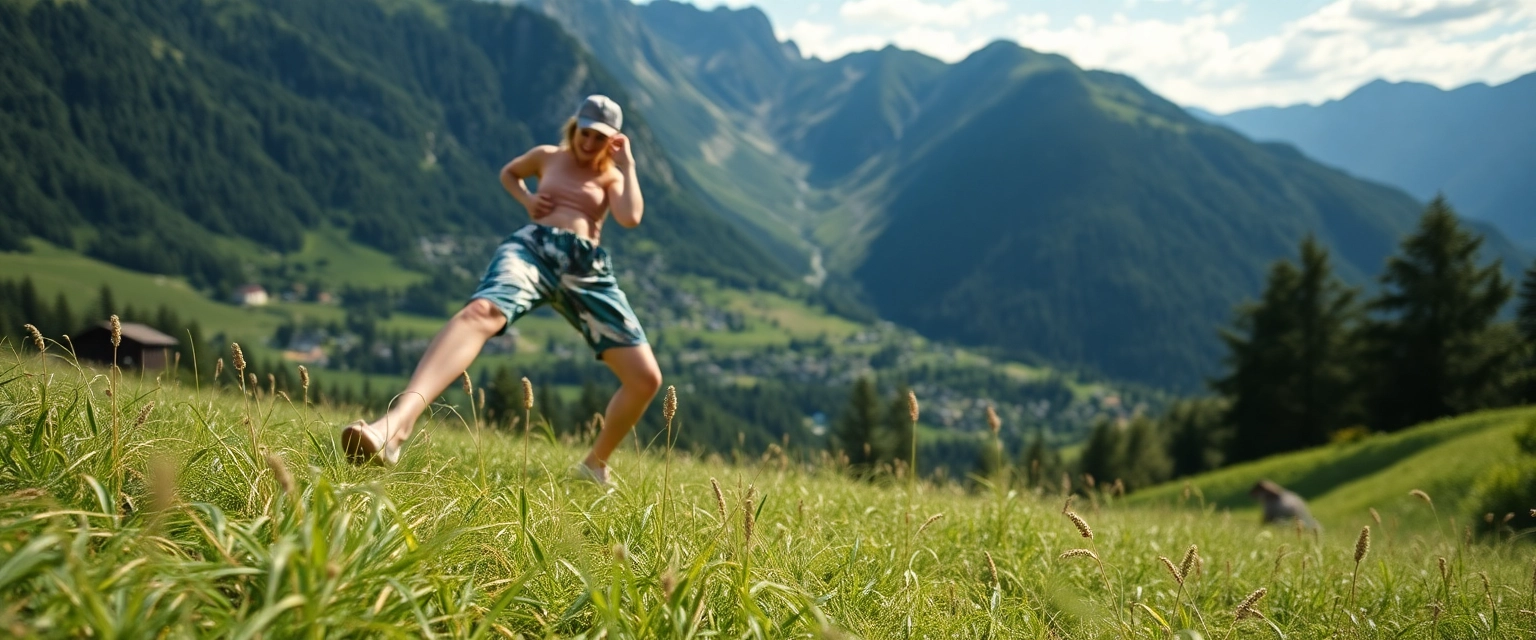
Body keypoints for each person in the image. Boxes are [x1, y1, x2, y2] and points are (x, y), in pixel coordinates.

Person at [341, 95, 661, 486]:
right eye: (585, 132)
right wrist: (527, 199)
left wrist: (627, 165)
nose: (590, 143)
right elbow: (510, 173)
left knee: (646, 378)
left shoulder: (612, 175)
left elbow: (630, 217)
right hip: (533, 249)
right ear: (574, 125)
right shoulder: (547, 156)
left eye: (600, 137)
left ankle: (593, 465)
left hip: (584, 267)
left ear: (612, 140)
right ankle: (393, 429)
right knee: (480, 313)